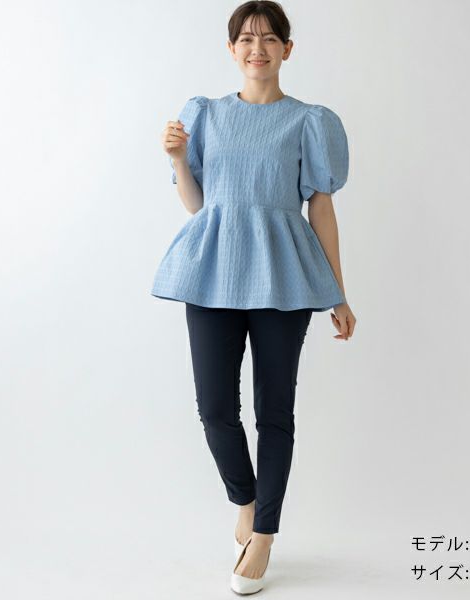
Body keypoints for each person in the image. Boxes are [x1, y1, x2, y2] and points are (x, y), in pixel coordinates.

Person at [151, 0, 357, 593]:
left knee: (274, 412)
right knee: (215, 408)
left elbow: (321, 209)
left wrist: (339, 293)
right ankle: (245, 499)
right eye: (245, 38)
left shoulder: (309, 121)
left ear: (287, 50)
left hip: (282, 277)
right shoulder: (205, 114)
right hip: (211, 271)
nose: (256, 48)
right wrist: (177, 159)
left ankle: (263, 533)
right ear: (231, 48)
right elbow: (199, 205)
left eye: (269, 38)